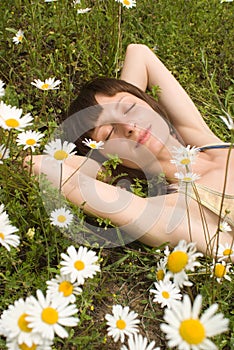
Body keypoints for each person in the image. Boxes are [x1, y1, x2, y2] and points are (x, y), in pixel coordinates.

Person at [28, 44, 234, 256]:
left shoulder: (202, 138)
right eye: (109, 134)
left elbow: (139, 53)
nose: (129, 127)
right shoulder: (171, 212)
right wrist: (102, 168)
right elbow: (36, 164)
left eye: (130, 108)